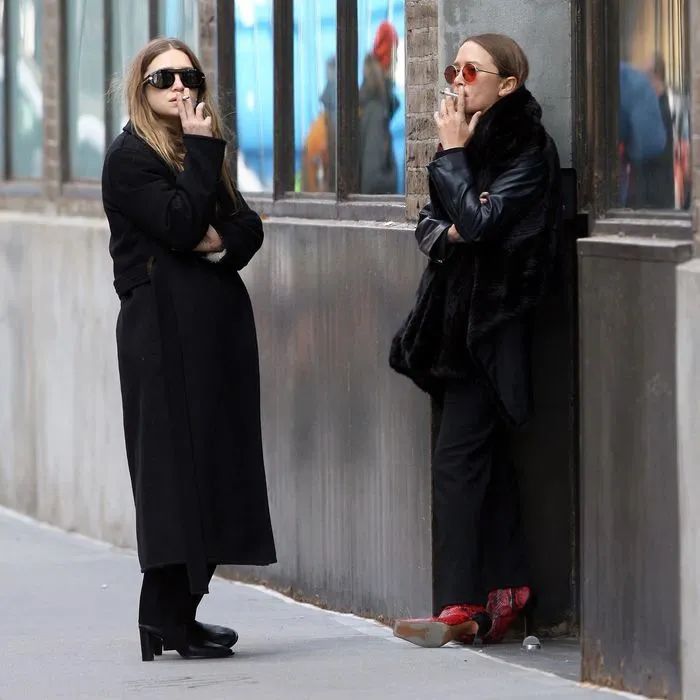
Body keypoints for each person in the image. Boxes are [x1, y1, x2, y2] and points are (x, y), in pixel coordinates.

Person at [101, 38, 276, 661]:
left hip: (213, 337)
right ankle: (163, 616)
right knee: (175, 474)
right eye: (163, 78)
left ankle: (181, 611)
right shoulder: (130, 157)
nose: (179, 86)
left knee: (218, 469)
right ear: (141, 90)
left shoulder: (198, 150)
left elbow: (248, 227)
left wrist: (214, 238)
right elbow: (178, 224)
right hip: (162, 336)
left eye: (189, 76)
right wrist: (201, 169)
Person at [389, 33, 561, 646]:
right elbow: (431, 225)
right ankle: (505, 593)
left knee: (457, 463)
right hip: (453, 332)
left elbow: (481, 223)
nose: (457, 80)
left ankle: (460, 603)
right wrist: (460, 212)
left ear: (506, 84)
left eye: (471, 70)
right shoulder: (468, 144)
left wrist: (456, 162)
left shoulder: (526, 146)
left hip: (491, 330)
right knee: (481, 463)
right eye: (453, 69)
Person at [358, 21, 400, 194]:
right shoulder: (376, 110)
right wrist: (396, 176)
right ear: (388, 59)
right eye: (396, 55)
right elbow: (372, 181)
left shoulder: (372, 103)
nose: (398, 61)